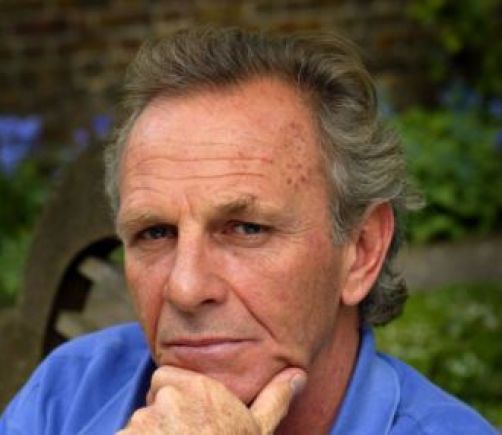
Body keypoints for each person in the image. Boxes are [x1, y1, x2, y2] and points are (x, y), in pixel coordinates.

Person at [0, 27, 497, 435]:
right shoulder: (67, 392)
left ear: (361, 250)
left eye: (245, 228)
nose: (185, 288)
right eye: (155, 233)